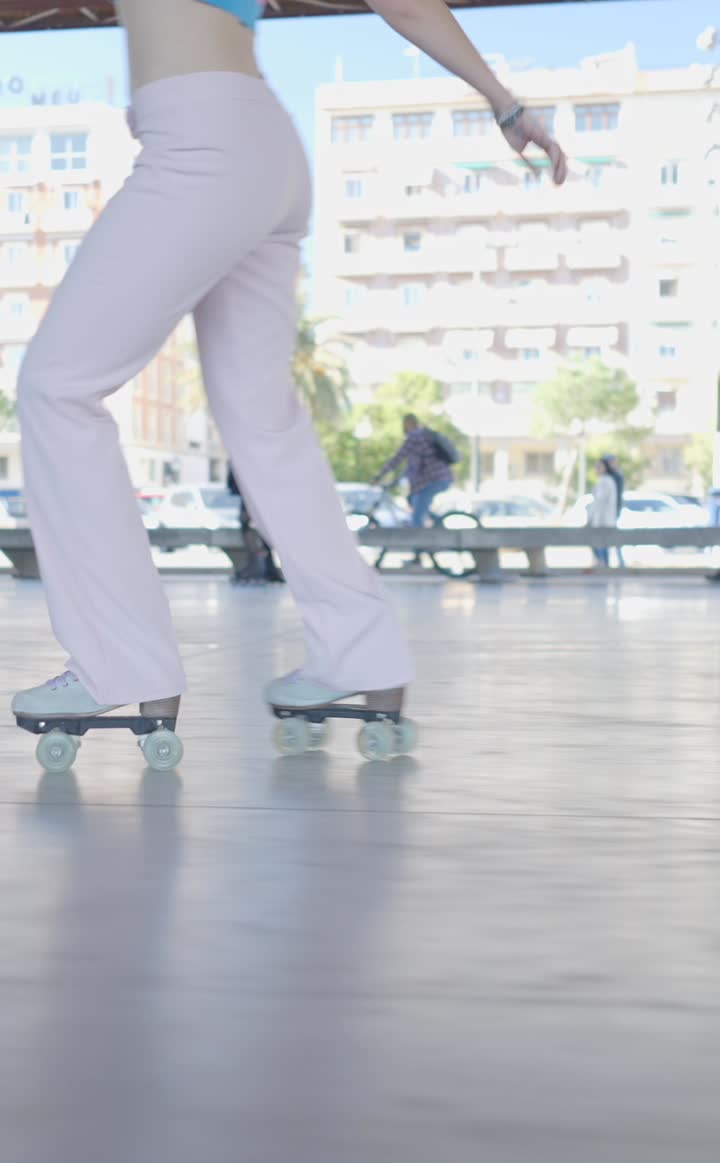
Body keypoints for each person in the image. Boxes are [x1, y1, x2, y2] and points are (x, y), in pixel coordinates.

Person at [12, 0, 567, 729]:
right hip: (265, 145)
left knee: (56, 388)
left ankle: (118, 660)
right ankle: (360, 654)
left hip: (199, 139)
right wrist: (505, 104)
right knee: (261, 417)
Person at [377, 414, 454, 530]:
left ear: (408, 423)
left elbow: (398, 458)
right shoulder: (424, 436)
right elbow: (412, 467)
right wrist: (396, 481)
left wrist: (380, 475)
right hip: (439, 478)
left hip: (434, 479)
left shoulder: (415, 437)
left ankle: (420, 546)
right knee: (413, 500)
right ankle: (438, 524)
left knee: (417, 516)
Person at [227, 465, 284, 584]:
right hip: (253, 504)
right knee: (257, 539)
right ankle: (262, 569)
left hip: (256, 504)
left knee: (260, 539)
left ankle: (264, 569)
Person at [587, 459, 618, 569]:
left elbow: (600, 502)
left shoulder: (606, 481)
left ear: (605, 468)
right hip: (602, 519)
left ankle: (603, 564)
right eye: (596, 466)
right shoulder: (603, 481)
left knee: (601, 544)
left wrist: (592, 517)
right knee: (602, 544)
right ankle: (603, 564)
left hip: (603, 519)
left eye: (599, 466)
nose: (597, 469)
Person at [602, 453, 625, 568]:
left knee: (611, 538)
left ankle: (618, 563)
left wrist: (615, 511)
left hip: (612, 512)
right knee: (607, 538)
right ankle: (608, 563)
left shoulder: (614, 477)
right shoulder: (609, 477)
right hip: (610, 512)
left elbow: (613, 498)